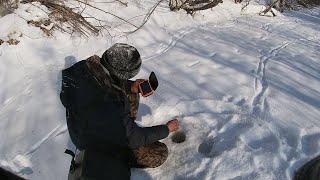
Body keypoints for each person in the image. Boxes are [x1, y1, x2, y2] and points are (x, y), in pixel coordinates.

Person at [60, 43, 179, 180]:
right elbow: (135, 138)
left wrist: (131, 86)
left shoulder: (85, 67)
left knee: (131, 93)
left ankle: (125, 127)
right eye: (128, 76)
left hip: (84, 127)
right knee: (160, 152)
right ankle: (118, 157)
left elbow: (106, 83)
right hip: (94, 144)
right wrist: (167, 129)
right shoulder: (109, 105)